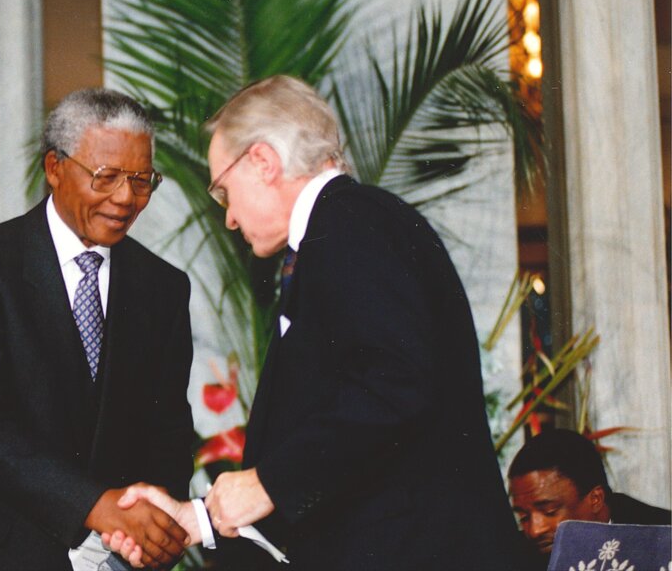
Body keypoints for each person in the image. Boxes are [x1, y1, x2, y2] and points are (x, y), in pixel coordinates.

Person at [108, 75, 522, 569]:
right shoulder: (351, 225)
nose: (230, 219)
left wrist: (268, 484)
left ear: (262, 162)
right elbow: (347, 445)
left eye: (223, 193)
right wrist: (197, 519)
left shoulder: (349, 227)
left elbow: (393, 386)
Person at [0, 87, 195, 570]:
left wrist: (157, 525)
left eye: (142, 180)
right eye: (106, 177)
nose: (125, 198)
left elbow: (170, 432)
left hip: (118, 561)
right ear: (55, 168)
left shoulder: (164, 288)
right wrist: (94, 506)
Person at [508, 428, 672, 569]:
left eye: (549, 511)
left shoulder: (663, 536)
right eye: (523, 517)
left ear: (596, 499)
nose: (535, 530)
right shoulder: (512, 557)